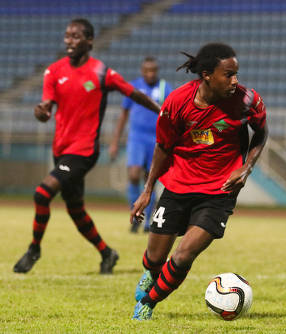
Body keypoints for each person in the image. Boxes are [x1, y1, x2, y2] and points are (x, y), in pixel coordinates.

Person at [130, 42, 268, 320]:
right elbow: (163, 147)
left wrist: (246, 168)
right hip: (178, 186)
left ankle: (148, 303)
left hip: (219, 191)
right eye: (228, 74)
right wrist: (147, 191)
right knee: (155, 258)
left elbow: (261, 133)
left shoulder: (246, 100)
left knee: (183, 255)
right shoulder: (177, 103)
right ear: (206, 74)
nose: (235, 81)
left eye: (236, 73)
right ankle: (151, 274)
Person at [13, 18, 161, 275]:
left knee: (41, 194)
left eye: (75, 36)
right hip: (61, 149)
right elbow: (45, 109)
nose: (69, 40)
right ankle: (107, 253)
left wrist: (161, 111)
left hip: (84, 151)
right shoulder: (53, 72)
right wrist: (41, 112)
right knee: (75, 209)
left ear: (89, 41)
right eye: (67, 36)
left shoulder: (102, 73)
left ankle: (34, 249)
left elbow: (132, 93)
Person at [109, 57, 173, 233]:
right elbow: (123, 115)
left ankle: (146, 222)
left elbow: (170, 114)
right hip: (136, 138)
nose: (150, 74)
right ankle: (135, 214)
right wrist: (115, 142)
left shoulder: (164, 88)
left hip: (155, 139)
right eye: (147, 70)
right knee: (134, 175)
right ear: (142, 71)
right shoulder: (134, 87)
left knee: (149, 180)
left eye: (153, 70)